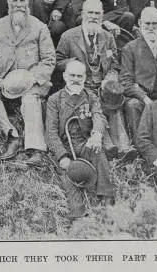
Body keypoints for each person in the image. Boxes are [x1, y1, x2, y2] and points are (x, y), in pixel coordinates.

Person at [0, 0, 55, 164]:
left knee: (30, 100)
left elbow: (49, 60)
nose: (19, 5)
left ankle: (36, 149)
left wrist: (33, 77)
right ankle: (12, 135)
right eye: (15, 1)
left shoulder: (39, 27)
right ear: (8, 3)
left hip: (32, 81)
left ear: (28, 2)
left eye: (22, 1)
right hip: (4, 80)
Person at [55, 0, 134, 159]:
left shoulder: (107, 37)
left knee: (114, 101)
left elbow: (114, 65)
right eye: (90, 12)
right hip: (81, 86)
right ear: (83, 14)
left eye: (97, 13)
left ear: (102, 16)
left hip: (101, 84)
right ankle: (108, 147)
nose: (93, 16)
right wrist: (73, 63)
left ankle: (124, 147)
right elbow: (57, 62)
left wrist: (110, 79)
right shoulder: (69, 36)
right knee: (95, 106)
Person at [45, 59, 114, 218]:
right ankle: (78, 214)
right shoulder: (54, 100)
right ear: (64, 76)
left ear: (84, 78)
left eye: (79, 76)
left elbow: (98, 116)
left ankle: (107, 198)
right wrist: (62, 155)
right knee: (68, 174)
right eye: (72, 75)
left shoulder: (90, 97)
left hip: (84, 142)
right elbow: (51, 131)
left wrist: (96, 134)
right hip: (65, 146)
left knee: (99, 153)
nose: (75, 79)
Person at [120, 7, 157, 134]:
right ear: (140, 23)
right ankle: (139, 142)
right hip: (142, 97)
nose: (151, 27)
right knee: (132, 105)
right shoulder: (130, 48)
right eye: (147, 23)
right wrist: (144, 98)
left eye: (155, 24)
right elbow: (126, 82)